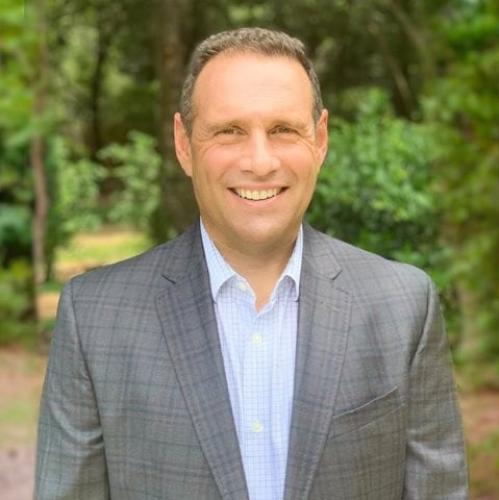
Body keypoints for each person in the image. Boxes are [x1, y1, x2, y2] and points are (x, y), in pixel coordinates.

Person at [35, 27, 468, 500]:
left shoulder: (404, 306)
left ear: (320, 140)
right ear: (184, 144)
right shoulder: (94, 319)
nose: (260, 162)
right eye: (229, 131)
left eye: (283, 130)